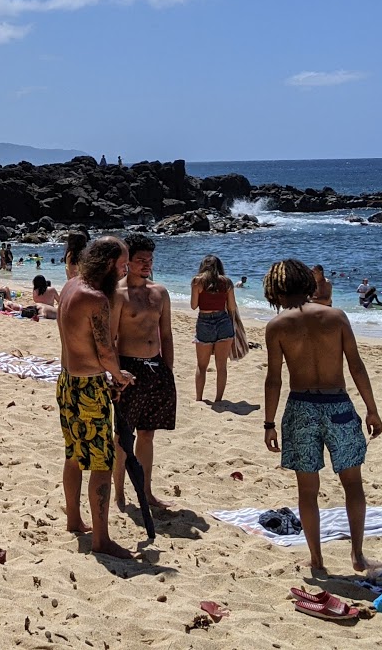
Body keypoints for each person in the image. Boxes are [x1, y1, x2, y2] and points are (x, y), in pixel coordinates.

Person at [262, 258, 382, 575]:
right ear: (308, 283)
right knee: (353, 483)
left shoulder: (277, 327)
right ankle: (357, 555)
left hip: (300, 407)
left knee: (307, 491)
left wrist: (269, 423)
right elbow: (356, 365)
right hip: (338, 405)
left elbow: (274, 379)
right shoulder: (335, 317)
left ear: (273, 290)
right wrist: (371, 408)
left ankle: (317, 560)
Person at [55, 236, 135, 558]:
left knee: (73, 453)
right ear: (106, 265)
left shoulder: (70, 286)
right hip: (88, 387)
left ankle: (74, 519)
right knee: (102, 462)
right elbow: (105, 352)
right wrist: (120, 376)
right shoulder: (95, 298)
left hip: (66, 382)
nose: (125, 271)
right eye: (122, 265)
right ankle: (101, 540)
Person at [110, 234, 176, 512]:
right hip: (129, 367)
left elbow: (167, 333)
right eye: (140, 260)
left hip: (156, 367)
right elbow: (111, 338)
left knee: (148, 433)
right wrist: (116, 374)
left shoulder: (160, 292)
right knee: (123, 436)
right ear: (128, 262)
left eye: (150, 259)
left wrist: (168, 370)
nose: (146, 264)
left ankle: (146, 491)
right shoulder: (118, 294)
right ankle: (119, 492)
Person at [190, 255, 245, 404]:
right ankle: (218, 399)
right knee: (221, 366)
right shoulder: (227, 282)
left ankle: (199, 398)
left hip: (204, 322)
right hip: (223, 322)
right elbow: (232, 307)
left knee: (202, 366)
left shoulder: (197, 281)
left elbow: (194, 305)